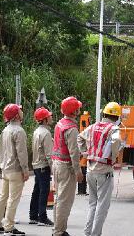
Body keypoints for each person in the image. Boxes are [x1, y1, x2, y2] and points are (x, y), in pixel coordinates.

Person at [77, 102, 124, 236]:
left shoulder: (92, 127)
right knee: (102, 207)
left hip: (90, 170)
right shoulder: (114, 129)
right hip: (104, 172)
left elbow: (79, 138)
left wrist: (85, 152)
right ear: (117, 117)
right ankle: (95, 234)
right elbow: (115, 143)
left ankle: (87, 232)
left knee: (93, 204)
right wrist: (114, 156)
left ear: (104, 114)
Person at [0, 103, 29, 235]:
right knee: (13, 199)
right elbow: (22, 153)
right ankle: (9, 226)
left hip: (6, 169)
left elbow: (1, 151)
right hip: (16, 169)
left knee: (3, 196)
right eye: (19, 110)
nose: (21, 112)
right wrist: (25, 170)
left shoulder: (5, 130)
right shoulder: (19, 131)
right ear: (16, 115)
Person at [50, 96, 84, 236]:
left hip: (57, 164)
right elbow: (74, 153)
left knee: (59, 199)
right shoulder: (72, 129)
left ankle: (57, 228)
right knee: (65, 200)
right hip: (66, 167)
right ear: (74, 111)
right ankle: (59, 231)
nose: (79, 110)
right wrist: (78, 171)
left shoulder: (59, 124)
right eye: (78, 108)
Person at [29, 107, 54, 226]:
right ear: (44, 119)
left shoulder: (36, 131)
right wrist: (53, 169)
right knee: (44, 191)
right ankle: (42, 217)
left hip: (36, 165)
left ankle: (33, 216)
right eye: (49, 116)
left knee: (37, 190)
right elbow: (49, 154)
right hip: (43, 165)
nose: (51, 117)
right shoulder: (46, 133)